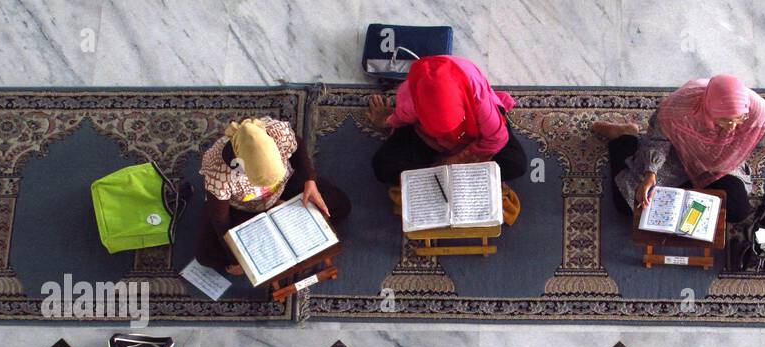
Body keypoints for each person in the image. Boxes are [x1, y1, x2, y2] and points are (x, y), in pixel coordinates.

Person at [591, 75, 765, 223]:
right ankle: (625, 137)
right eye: (726, 121)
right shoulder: (679, 108)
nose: (732, 127)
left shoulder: (755, 109)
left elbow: (756, 134)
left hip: (720, 165)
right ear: (710, 109)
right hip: (677, 157)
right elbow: (659, 139)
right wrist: (651, 173)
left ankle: (682, 196)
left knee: (738, 210)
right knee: (627, 203)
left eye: (739, 120)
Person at [196, 116, 351, 274]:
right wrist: (239, 258)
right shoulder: (219, 174)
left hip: (285, 188)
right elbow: (221, 221)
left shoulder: (277, 132)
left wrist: (309, 181)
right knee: (206, 254)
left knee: (340, 204)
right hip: (244, 209)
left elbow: (298, 150)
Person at [366, 55, 527, 185]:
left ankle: (436, 179)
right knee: (383, 166)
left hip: (475, 140)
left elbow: (496, 138)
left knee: (515, 163)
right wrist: (387, 120)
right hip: (429, 140)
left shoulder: (477, 97)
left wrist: (456, 160)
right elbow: (403, 116)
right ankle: (449, 179)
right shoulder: (413, 96)